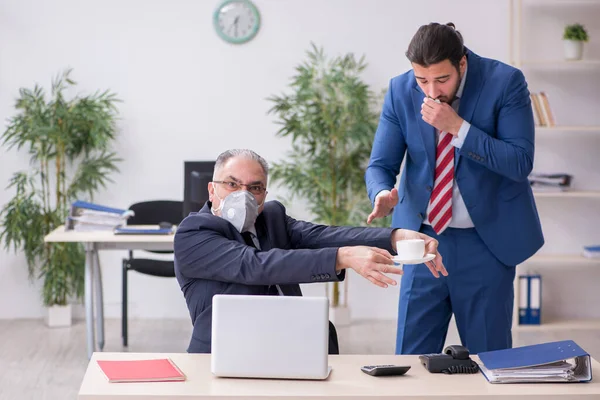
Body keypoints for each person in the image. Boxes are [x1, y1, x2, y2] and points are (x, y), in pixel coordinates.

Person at [365, 22, 544, 355]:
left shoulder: (505, 82)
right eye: (422, 80)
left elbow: (519, 162)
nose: (431, 91)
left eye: (442, 80)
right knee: (412, 357)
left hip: (487, 243)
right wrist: (381, 193)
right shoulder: (401, 90)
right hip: (423, 241)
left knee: (489, 360)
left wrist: (458, 128)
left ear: (461, 63)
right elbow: (380, 165)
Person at [174, 149, 447, 354]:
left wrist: (395, 237)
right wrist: (344, 257)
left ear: (264, 195)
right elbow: (255, 265)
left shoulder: (271, 217)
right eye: (232, 184)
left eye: (255, 188)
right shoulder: (194, 232)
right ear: (212, 190)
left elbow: (321, 236)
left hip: (295, 348)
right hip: (223, 354)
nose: (243, 195)